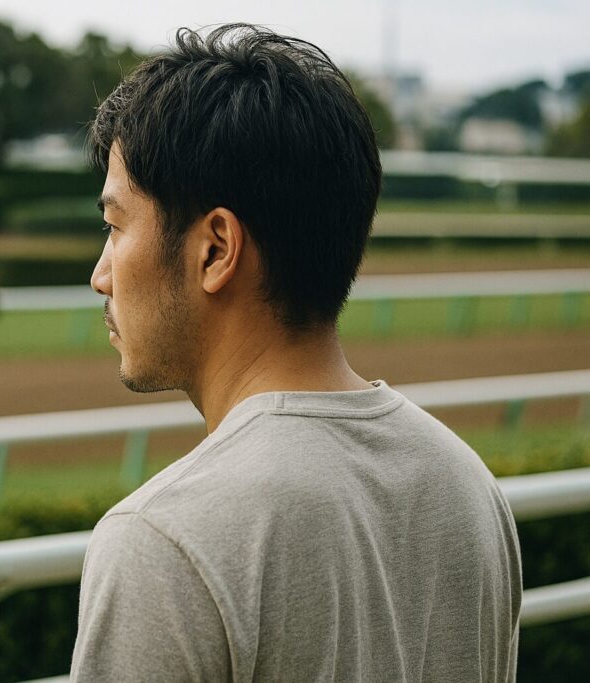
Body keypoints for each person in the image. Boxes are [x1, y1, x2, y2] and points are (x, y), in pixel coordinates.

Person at [71, 24, 521, 681]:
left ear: (216, 249)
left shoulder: (162, 538)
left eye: (116, 226)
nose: (101, 275)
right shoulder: (470, 487)